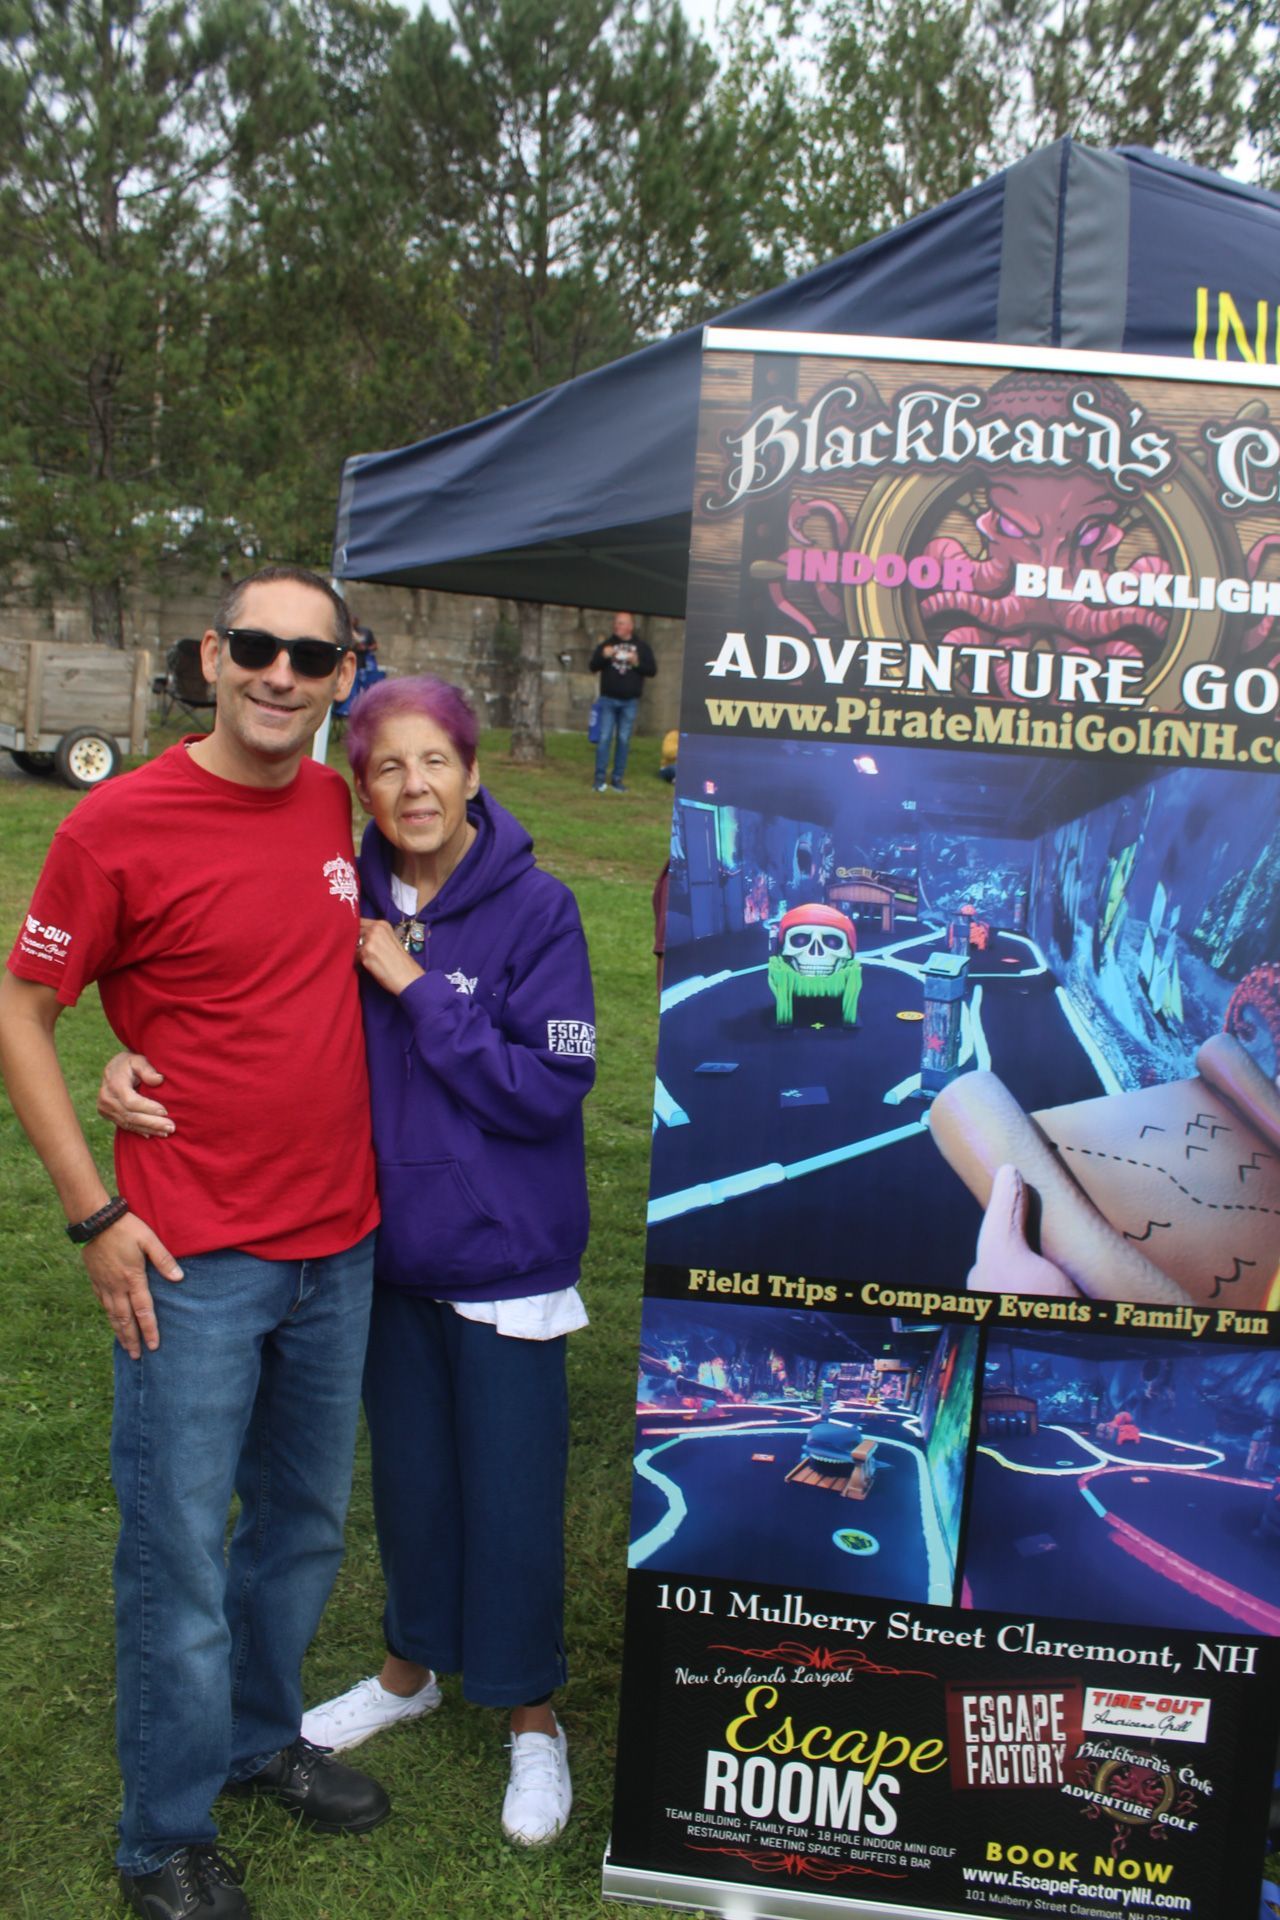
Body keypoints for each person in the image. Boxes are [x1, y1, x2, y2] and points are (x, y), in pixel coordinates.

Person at [102, 674, 596, 1850]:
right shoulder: (342, 892)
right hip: (372, 1251)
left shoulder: (539, 910)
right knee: (410, 1489)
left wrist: (418, 990)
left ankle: (532, 1718)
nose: (414, 786)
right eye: (386, 767)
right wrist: (129, 1055)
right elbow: (242, 1006)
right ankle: (406, 1673)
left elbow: (550, 1086)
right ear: (357, 787)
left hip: (504, 1261)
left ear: (474, 773)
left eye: (436, 762)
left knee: (511, 1499)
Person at [0, 565, 390, 1920]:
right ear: (212, 658)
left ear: (344, 673)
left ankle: (254, 1741)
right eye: (260, 650)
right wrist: (93, 1212)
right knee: (177, 1557)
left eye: (313, 656)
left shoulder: (345, 805)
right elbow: (23, 1007)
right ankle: (160, 1838)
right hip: (189, 1260)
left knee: (298, 1528)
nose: (284, 676)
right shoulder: (116, 824)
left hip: (341, 1246)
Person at [589, 610, 655, 791]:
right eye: (616, 623)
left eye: (621, 623)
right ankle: (599, 779)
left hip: (629, 701)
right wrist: (603, 656)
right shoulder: (607, 645)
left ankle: (617, 778)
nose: (617, 626)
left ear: (630, 626)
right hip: (608, 700)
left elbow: (652, 670)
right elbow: (593, 666)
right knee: (604, 738)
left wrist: (636, 663)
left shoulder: (641, 647)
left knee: (624, 739)